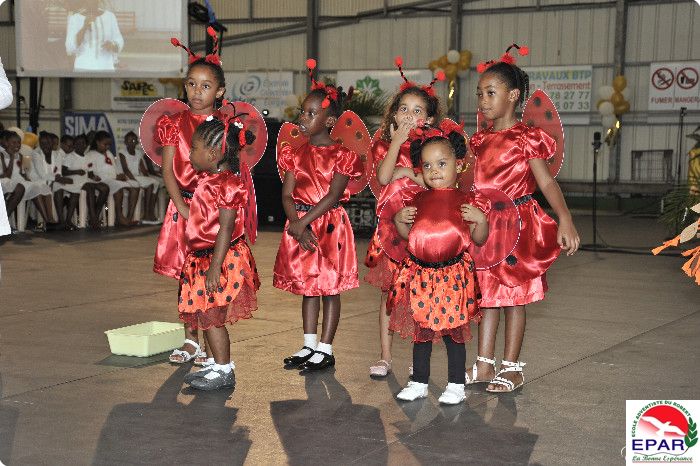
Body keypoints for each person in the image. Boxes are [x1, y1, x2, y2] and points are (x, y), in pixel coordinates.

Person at [465, 44, 580, 392]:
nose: (483, 100)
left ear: (513, 96)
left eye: (490, 93)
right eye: (480, 93)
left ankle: (512, 367)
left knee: (515, 295)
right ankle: (484, 364)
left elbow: (546, 182)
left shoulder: (526, 138)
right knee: (487, 295)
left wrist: (565, 218)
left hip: (516, 226)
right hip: (486, 226)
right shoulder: (480, 140)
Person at [388, 122, 489, 404]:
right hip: (421, 275)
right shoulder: (418, 199)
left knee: (453, 332)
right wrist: (399, 221)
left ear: (459, 165)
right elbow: (411, 237)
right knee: (422, 331)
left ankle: (456, 384)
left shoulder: (466, 200)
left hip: (453, 275)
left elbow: (479, 239)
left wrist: (481, 220)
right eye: (428, 166)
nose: (434, 171)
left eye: (441, 164)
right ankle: (419, 381)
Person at [275, 59, 364, 373]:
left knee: (329, 288)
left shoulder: (342, 155)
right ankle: (309, 344)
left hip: (328, 227)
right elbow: (287, 194)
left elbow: (333, 196)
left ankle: (326, 348)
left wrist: (303, 222)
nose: (303, 118)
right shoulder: (294, 153)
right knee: (308, 287)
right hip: (301, 224)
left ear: (330, 121)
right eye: (303, 112)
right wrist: (297, 224)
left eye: (312, 114)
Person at [365, 57, 445, 378]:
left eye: (417, 111)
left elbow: (435, 181)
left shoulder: (432, 147)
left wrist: (410, 174)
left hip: (421, 228)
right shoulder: (386, 144)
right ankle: (385, 356)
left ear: (429, 118)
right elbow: (384, 177)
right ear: (394, 114)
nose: (410, 116)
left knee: (419, 293)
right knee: (389, 293)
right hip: (390, 229)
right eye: (404, 109)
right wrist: (397, 143)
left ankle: (418, 358)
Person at [156, 31, 226, 365]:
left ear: (220, 91)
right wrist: (183, 207)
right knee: (187, 274)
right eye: (191, 84)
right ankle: (190, 339)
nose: (197, 92)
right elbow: (168, 170)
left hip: (214, 212)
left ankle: (214, 342)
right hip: (182, 207)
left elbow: (232, 173)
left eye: (206, 86)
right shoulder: (173, 123)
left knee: (213, 274)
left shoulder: (227, 126)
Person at [177, 110, 260, 390]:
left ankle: (224, 369)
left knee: (212, 317)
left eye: (194, 148)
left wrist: (215, 267)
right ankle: (215, 365)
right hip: (203, 257)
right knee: (205, 314)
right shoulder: (208, 180)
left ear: (213, 154)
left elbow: (226, 228)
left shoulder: (227, 184)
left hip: (219, 259)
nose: (190, 153)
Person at [0, 131, 55, 230]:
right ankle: (4, 221)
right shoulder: (2, 155)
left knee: (38, 187)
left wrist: (26, 177)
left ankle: (48, 221)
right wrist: (12, 158)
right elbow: (7, 175)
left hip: (20, 180)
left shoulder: (20, 156)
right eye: (14, 142)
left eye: (19, 142)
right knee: (28, 187)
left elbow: (22, 172)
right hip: (8, 181)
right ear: (7, 143)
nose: (17, 145)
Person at [85, 131, 140, 226]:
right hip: (103, 180)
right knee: (118, 187)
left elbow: (114, 168)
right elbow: (91, 172)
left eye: (109, 145)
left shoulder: (109, 153)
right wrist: (95, 177)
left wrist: (119, 175)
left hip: (113, 179)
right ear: (97, 142)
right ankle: (119, 217)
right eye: (105, 144)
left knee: (134, 188)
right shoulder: (90, 154)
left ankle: (129, 218)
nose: (107, 147)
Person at [65, 2, 124, 71]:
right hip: (83, 66)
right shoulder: (75, 18)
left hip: (106, 66)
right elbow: (70, 47)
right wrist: (84, 27)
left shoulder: (110, 17)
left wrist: (112, 45)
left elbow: (119, 39)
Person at [118, 131, 161, 223]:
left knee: (155, 183)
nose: (131, 143)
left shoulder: (138, 153)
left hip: (137, 177)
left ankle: (149, 212)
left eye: (133, 141)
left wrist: (148, 178)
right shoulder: (122, 152)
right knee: (149, 185)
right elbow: (125, 169)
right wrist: (135, 180)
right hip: (127, 177)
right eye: (129, 141)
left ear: (137, 142)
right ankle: (146, 215)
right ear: (125, 142)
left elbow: (143, 169)